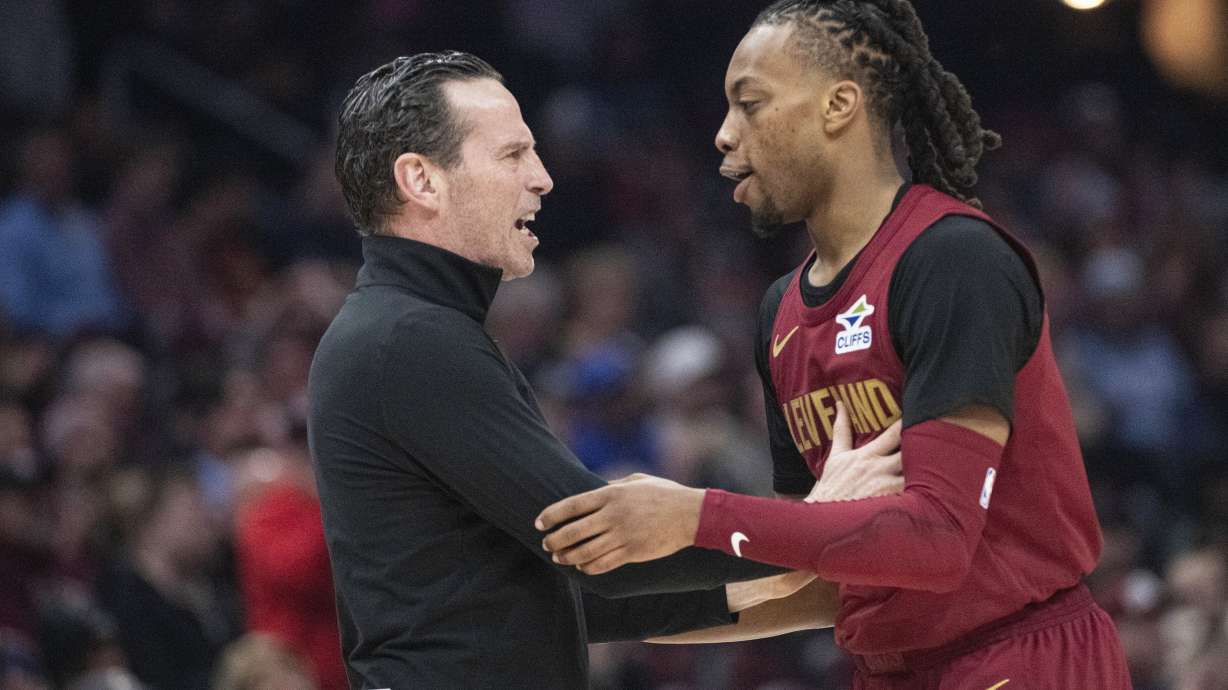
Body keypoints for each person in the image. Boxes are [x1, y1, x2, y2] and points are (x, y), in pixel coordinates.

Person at [537, 2, 1132, 688]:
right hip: (888, 669)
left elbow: (936, 542)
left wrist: (692, 515)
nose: (725, 136)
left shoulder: (952, 261)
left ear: (839, 104)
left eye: (750, 104)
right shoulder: (779, 311)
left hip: (1015, 656)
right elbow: (821, 571)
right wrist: (591, 619)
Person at [308, 51, 896, 689]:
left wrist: (817, 594)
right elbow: (603, 554)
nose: (542, 178)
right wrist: (818, 521)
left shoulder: (407, 331)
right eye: (512, 155)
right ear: (421, 180)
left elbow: (571, 601)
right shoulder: (411, 340)